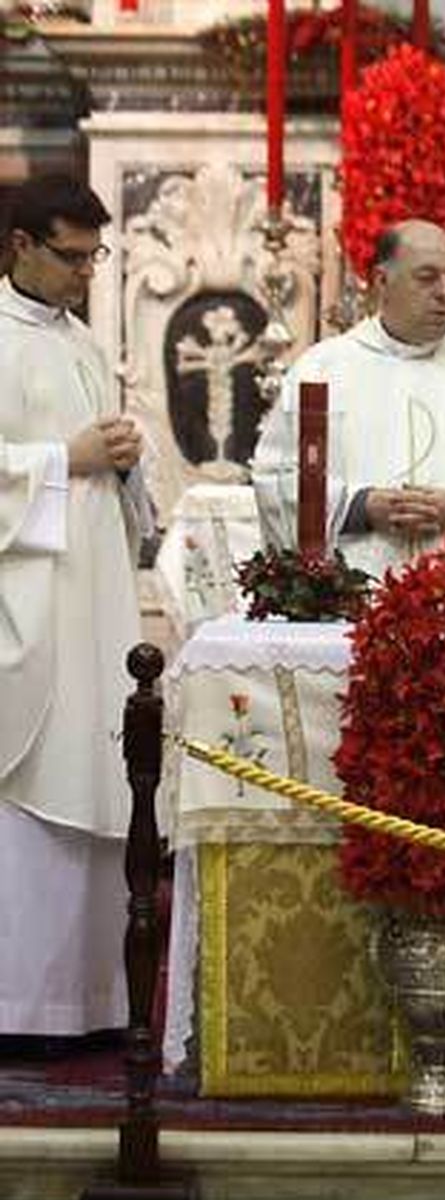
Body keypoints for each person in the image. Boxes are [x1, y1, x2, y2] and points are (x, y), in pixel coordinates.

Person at [0, 175, 147, 1036]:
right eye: (71, 257)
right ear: (20, 245)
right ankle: (18, 1006)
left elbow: (106, 467)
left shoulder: (84, 342)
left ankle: (89, 1003)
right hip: (25, 606)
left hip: (92, 600)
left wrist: (123, 458)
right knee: (29, 796)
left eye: (97, 257)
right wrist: (66, 459)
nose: (87, 274)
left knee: (98, 776)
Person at [253, 220, 445, 590]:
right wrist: (360, 506)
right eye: (427, 278)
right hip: (349, 597)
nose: (444, 292)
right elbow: (276, 480)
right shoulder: (322, 370)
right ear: (381, 282)